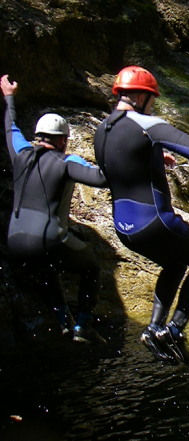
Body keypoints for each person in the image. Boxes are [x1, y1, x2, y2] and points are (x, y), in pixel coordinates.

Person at [94, 66, 189, 365]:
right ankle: (174, 331)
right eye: (152, 99)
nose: (153, 105)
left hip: (124, 228)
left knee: (176, 262)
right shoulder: (144, 123)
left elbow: (112, 171)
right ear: (141, 96)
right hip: (154, 222)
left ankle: (154, 328)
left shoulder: (102, 130)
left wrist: (153, 154)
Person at [1, 74, 108, 343]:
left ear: (38, 136)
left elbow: (10, 126)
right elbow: (102, 178)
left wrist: (9, 97)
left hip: (14, 242)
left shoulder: (21, 153)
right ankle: (84, 326)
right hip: (49, 239)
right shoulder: (66, 161)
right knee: (91, 267)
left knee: (46, 269)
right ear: (62, 140)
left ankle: (62, 321)